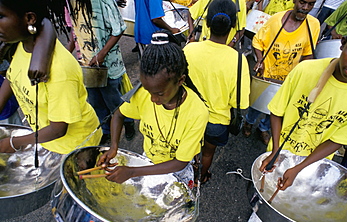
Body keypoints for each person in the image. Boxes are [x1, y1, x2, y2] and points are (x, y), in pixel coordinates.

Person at [246, 12, 347, 222]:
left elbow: (338, 139)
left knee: (295, 197)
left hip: (316, 162)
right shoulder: (306, 71)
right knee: (268, 188)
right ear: (342, 44)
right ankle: (259, 213)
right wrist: (276, 150)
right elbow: (277, 111)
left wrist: (299, 167)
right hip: (280, 148)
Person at [97, 31, 209, 187]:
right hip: (148, 161)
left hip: (177, 171)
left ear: (180, 80)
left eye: (159, 93)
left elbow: (180, 162)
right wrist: (114, 146)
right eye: (149, 91)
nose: (152, 99)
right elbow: (118, 115)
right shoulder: (143, 94)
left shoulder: (197, 112)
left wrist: (132, 172)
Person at [0, 0, 102, 155]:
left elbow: (57, 129)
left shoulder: (60, 71)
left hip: (74, 147)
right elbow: (13, 76)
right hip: (47, 140)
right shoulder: (22, 45)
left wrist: (14, 142)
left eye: (0, 17)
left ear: (29, 18)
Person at [184, 0, 250, 184]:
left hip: (189, 115)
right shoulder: (238, 61)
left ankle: (186, 173)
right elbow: (241, 103)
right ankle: (200, 177)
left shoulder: (189, 50)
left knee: (188, 147)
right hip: (217, 122)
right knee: (208, 152)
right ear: (234, 25)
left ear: (206, 23)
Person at [242, 0, 320, 145]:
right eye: (302, 3)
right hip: (268, 73)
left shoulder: (313, 25)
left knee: (276, 107)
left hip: (289, 78)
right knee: (257, 103)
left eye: (310, 4)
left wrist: (304, 73)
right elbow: (258, 41)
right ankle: (249, 122)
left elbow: (308, 53)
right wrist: (260, 60)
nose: (305, 8)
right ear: (295, 1)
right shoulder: (276, 20)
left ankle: (263, 128)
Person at [67, 0, 135, 144]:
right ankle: (106, 130)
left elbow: (119, 29)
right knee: (95, 101)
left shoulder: (104, 2)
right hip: (86, 64)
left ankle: (128, 122)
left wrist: (102, 54)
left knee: (113, 100)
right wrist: (66, 55)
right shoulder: (70, 3)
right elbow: (74, 31)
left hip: (108, 65)